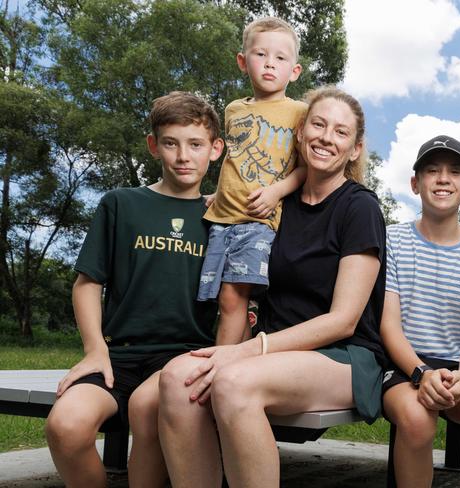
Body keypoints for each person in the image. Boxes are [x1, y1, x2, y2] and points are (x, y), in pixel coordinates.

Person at [158, 86, 386, 487]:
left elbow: (344, 321)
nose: (325, 137)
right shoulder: (277, 203)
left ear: (354, 149)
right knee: (177, 378)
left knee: (232, 381)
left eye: (340, 132)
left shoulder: (360, 207)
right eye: (318, 124)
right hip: (271, 350)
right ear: (300, 133)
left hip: (342, 356)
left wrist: (246, 350)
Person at [45, 91, 224, 488]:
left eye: (195, 145)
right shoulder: (121, 204)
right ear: (153, 146)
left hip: (181, 361)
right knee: (65, 426)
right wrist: (95, 349)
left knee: (148, 410)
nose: (183, 156)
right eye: (171, 143)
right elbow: (87, 283)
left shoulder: (221, 218)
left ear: (215, 149)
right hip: (117, 356)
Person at [381, 135, 460, 487]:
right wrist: (421, 374)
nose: (443, 179)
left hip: (458, 370)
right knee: (417, 419)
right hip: (402, 365)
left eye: (455, 171)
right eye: (432, 170)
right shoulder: (390, 240)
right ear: (415, 183)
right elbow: (389, 327)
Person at [198, 16, 307, 346]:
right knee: (226, 301)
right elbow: (234, 158)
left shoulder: (299, 111)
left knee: (234, 296)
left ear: (295, 70)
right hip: (222, 218)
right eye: (261, 55)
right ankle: (236, 363)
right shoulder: (233, 110)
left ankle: (218, 367)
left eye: (280, 58)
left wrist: (277, 191)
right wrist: (217, 193)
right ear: (243, 62)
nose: (270, 64)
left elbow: (305, 168)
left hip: (259, 220)